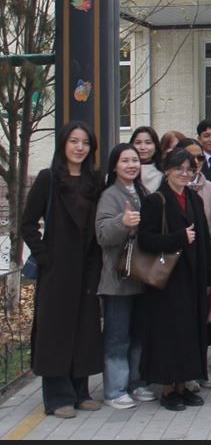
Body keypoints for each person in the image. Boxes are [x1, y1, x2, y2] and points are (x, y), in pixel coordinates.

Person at [20, 121, 104, 419]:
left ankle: (81, 392)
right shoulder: (49, 179)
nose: (79, 147)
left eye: (85, 143)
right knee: (55, 332)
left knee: (84, 330)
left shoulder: (94, 181)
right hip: (57, 270)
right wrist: (46, 257)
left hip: (87, 267)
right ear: (63, 145)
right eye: (74, 141)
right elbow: (27, 224)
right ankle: (57, 397)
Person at [138, 149, 211, 411]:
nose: (184, 174)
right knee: (169, 333)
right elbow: (145, 239)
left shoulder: (193, 198)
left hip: (193, 275)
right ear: (167, 170)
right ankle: (169, 388)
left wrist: (210, 277)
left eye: (189, 169)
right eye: (178, 169)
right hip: (168, 280)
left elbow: (204, 239)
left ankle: (185, 384)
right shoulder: (156, 200)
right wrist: (178, 238)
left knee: (191, 331)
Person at [95, 143, 156, 409]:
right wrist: (123, 222)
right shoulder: (110, 195)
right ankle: (115, 389)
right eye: (125, 161)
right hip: (118, 278)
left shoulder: (142, 191)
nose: (131, 165)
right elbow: (102, 234)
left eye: (135, 160)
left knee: (139, 333)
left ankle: (137, 381)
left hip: (141, 276)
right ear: (114, 165)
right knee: (117, 336)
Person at [175, 138, 211, 389]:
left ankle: (199, 369)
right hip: (175, 267)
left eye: (199, 159)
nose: (194, 164)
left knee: (202, 320)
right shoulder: (165, 190)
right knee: (181, 322)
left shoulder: (209, 189)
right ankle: (178, 378)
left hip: (203, 262)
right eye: (189, 159)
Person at [130, 125, 163, 192]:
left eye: (148, 143)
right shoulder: (122, 171)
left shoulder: (163, 175)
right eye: (138, 143)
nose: (142, 147)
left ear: (156, 146)